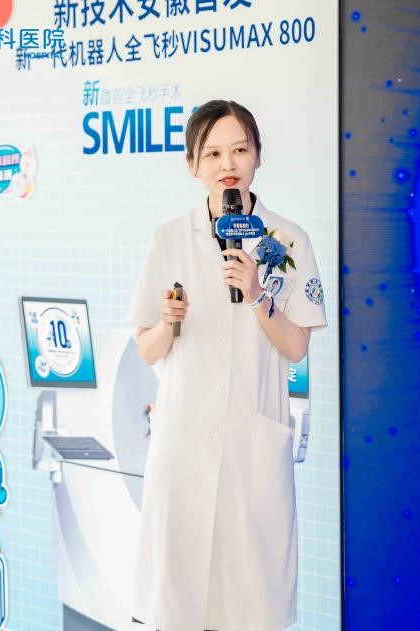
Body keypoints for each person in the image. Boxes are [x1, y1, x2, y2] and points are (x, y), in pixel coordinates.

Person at [126, 99, 328, 631]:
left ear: (258, 155)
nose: (227, 164)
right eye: (212, 153)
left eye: (239, 149)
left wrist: (258, 294)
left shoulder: (288, 240)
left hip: (250, 444)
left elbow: (297, 347)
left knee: (249, 601)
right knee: (178, 597)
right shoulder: (169, 238)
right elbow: (147, 349)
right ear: (192, 164)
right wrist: (167, 323)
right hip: (183, 442)